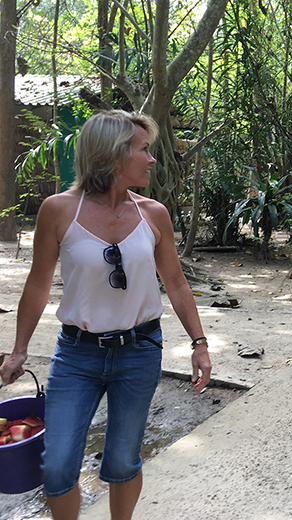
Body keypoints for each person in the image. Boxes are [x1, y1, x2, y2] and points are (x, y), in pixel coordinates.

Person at [0, 110, 212, 520]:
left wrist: (199, 343)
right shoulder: (58, 210)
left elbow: (177, 282)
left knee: (121, 461)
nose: (152, 159)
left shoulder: (154, 213)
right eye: (144, 150)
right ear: (115, 156)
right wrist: (19, 350)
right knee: (58, 466)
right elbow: (37, 284)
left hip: (140, 350)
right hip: (77, 355)